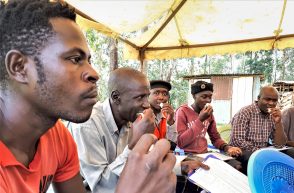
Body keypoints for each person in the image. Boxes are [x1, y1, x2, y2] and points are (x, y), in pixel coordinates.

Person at [0, 1, 176, 193]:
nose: (94, 73)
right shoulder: (83, 126)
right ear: (19, 67)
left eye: (89, 60)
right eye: (75, 59)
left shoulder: (56, 136)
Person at [69, 68, 208, 193]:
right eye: (139, 97)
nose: (147, 104)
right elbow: (102, 187)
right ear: (116, 97)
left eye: (147, 96)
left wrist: (180, 167)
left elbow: (147, 162)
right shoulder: (86, 124)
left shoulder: (131, 119)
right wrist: (133, 145)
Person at [229, 86, 294, 174]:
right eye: (267, 99)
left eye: (274, 100)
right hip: (243, 151)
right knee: (262, 159)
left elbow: (280, 144)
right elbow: (237, 141)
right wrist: (260, 151)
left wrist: (278, 122)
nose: (271, 103)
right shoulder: (245, 112)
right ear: (258, 98)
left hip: (264, 150)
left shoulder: (273, 115)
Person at [175, 81, 242, 167]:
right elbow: (181, 142)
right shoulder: (182, 111)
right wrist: (200, 120)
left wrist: (227, 148)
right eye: (204, 97)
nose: (208, 101)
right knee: (208, 170)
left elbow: (215, 138)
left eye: (210, 97)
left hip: (204, 154)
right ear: (194, 96)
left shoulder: (208, 114)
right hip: (187, 155)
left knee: (236, 166)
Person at [148, 80, 177, 149]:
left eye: (164, 94)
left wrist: (170, 121)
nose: (161, 97)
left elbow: (173, 142)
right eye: (156, 93)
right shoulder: (141, 116)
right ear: (148, 95)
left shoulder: (166, 115)